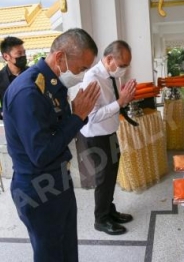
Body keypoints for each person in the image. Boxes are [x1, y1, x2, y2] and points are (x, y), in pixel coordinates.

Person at [3, 28, 100, 262]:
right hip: (38, 189)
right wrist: (77, 117)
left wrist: (77, 116)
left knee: (67, 250)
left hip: (58, 180)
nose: (82, 75)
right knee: (50, 255)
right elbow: (41, 153)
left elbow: (58, 129)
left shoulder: (52, 84)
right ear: (60, 58)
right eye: (81, 69)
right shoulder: (28, 92)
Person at [78, 40, 137, 235]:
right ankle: (100, 219)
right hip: (96, 137)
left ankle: (109, 211)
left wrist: (123, 100)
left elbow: (112, 105)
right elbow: (92, 116)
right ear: (109, 58)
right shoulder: (92, 78)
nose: (124, 70)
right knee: (104, 178)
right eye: (122, 65)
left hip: (110, 133)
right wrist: (120, 102)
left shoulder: (109, 76)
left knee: (111, 176)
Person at [0, 36, 28, 119]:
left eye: (24, 52)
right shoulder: (1, 78)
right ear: (6, 57)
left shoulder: (34, 74)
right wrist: (3, 113)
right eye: (19, 53)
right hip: (12, 126)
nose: (23, 56)